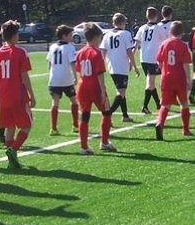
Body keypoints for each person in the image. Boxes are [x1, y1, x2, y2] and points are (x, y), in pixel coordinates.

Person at [0, 20, 36, 170]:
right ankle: (13, 150)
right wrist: (32, 95)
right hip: (18, 96)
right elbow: (24, 76)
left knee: (10, 127)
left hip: (2, 98)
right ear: (15, 36)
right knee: (27, 126)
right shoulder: (20, 52)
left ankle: (12, 162)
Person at [74, 23, 115, 154]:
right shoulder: (96, 53)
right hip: (94, 87)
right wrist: (103, 91)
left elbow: (79, 71)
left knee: (85, 116)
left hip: (82, 86)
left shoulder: (80, 52)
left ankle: (83, 146)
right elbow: (99, 74)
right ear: (96, 37)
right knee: (106, 112)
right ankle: (104, 142)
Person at [155, 21, 193, 141]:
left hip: (166, 78)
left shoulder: (164, 44)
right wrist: (189, 79)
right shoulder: (182, 46)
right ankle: (185, 129)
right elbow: (186, 64)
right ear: (182, 32)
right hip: (179, 78)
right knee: (184, 103)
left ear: (170, 32)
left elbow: (159, 61)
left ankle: (160, 124)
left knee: (165, 104)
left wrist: (164, 72)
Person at [100, 12, 139, 123]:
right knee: (121, 92)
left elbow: (103, 52)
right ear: (123, 23)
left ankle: (125, 115)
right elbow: (129, 52)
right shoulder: (125, 34)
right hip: (122, 66)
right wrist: (134, 66)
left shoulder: (107, 35)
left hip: (112, 66)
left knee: (121, 91)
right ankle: (108, 114)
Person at [45, 25, 79, 136]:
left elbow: (49, 63)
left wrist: (52, 73)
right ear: (64, 36)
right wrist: (75, 76)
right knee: (73, 100)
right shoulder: (69, 47)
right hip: (66, 79)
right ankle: (75, 126)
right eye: (69, 35)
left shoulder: (52, 47)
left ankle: (53, 128)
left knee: (55, 102)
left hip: (54, 79)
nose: (71, 37)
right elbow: (73, 63)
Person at [134, 7, 165, 114]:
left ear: (146, 16)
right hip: (153, 59)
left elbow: (136, 44)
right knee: (150, 83)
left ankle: (158, 103)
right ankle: (145, 106)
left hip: (143, 59)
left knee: (150, 81)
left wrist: (132, 59)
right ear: (156, 16)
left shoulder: (142, 28)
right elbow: (165, 42)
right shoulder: (159, 28)